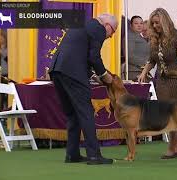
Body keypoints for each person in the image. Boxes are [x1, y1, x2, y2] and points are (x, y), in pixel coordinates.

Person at [49, 13, 117, 165]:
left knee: (72, 114)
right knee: (86, 112)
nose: (111, 36)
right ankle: (94, 155)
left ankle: (72, 154)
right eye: (113, 32)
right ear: (107, 26)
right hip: (72, 73)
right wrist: (105, 76)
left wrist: (94, 76)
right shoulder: (98, 29)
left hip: (57, 70)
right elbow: (94, 57)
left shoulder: (81, 26)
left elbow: (80, 55)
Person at [138, 8, 177, 159]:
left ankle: (175, 147)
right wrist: (144, 72)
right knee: (166, 114)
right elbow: (151, 59)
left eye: (157, 23)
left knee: (174, 113)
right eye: (153, 23)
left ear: (164, 21)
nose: (155, 26)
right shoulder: (154, 38)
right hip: (161, 80)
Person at [127, 16, 150, 81]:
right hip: (134, 72)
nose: (139, 25)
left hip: (140, 71)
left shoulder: (139, 36)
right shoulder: (130, 36)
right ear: (131, 25)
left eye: (141, 23)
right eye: (136, 23)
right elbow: (129, 56)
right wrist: (146, 63)